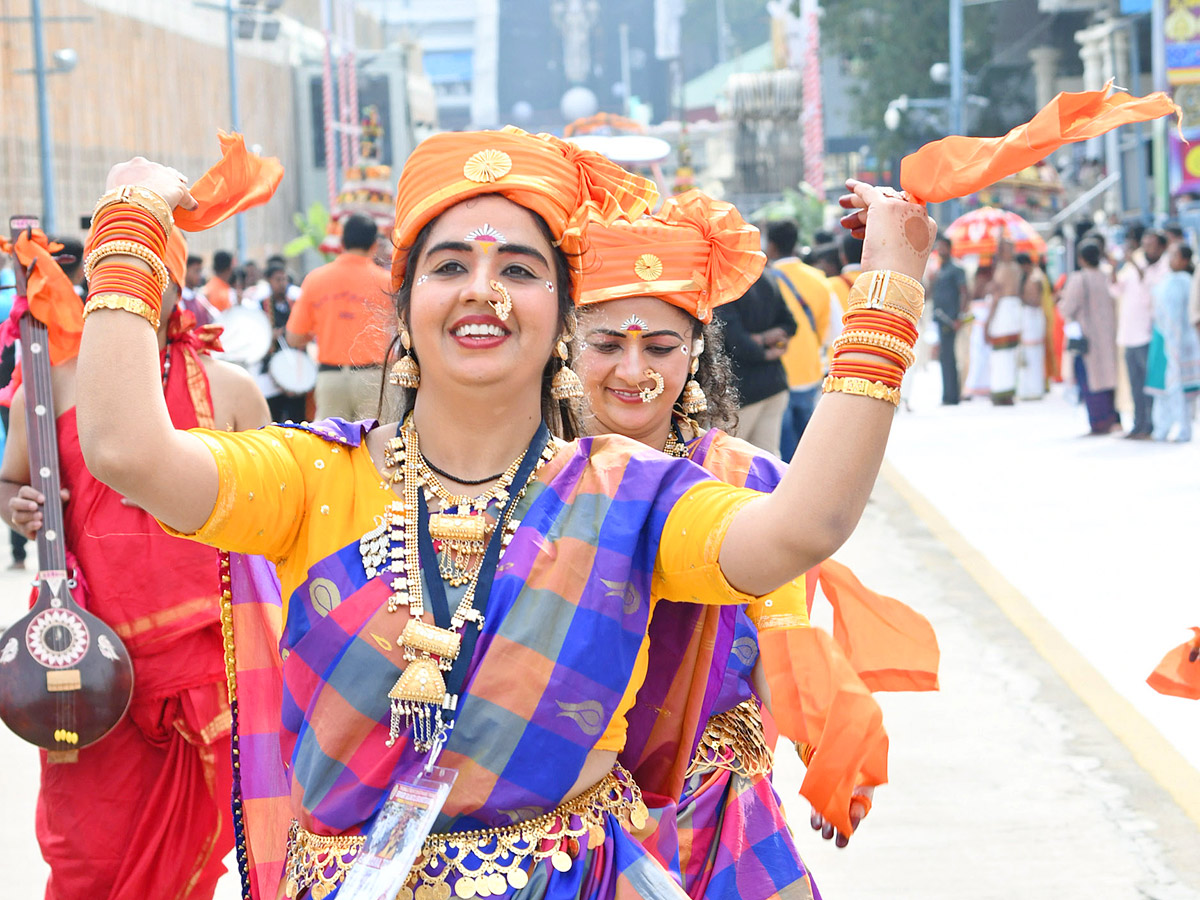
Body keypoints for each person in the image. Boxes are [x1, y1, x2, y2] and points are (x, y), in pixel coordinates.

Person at [73, 131, 933, 900]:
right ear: (404, 309)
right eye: (449, 266)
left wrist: (890, 288)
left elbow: (805, 525)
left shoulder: (626, 496)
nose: (482, 289)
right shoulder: (311, 479)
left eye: (519, 270)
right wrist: (131, 222)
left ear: (562, 316)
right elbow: (126, 450)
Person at [574, 192, 934, 899]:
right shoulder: (534, 481)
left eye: (661, 346)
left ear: (697, 350)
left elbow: (782, 642)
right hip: (566, 831)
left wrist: (828, 748)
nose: (633, 371)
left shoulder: (747, 478)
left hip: (719, 811)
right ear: (565, 345)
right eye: (608, 344)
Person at [0, 228, 270, 900]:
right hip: (81, 667)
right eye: (112, 281)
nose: (129, 298)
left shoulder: (229, 390)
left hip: (205, 667)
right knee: (86, 854)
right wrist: (21, 505)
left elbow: (275, 523)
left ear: (177, 288)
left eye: (146, 278)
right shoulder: (53, 380)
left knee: (191, 860)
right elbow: (9, 482)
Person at [286, 213, 393, 420]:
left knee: (331, 446)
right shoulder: (387, 283)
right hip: (374, 379)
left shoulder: (315, 279)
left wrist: (322, 329)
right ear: (373, 245)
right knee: (375, 445)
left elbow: (293, 337)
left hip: (331, 379)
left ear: (342, 243)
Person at [764, 220, 835, 458]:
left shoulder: (766, 281)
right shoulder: (819, 279)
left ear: (771, 246)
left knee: (785, 453)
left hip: (779, 373)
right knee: (810, 448)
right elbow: (831, 330)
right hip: (812, 370)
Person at [713, 273, 795, 457]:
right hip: (773, 383)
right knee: (767, 461)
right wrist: (769, 342)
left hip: (741, 390)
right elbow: (789, 324)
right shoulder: (765, 276)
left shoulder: (725, 283)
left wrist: (761, 346)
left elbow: (737, 344)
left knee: (728, 462)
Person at [1059, 240, 1121, 435]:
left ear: (1081, 258)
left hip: (1087, 338)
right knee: (1109, 378)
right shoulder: (1107, 276)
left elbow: (1067, 308)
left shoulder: (1079, 279)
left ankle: (1099, 423)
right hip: (1109, 336)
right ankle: (1112, 419)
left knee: (1089, 380)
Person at [1115, 229, 1169, 439]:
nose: (1146, 249)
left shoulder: (1163, 269)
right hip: (1129, 333)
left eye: (1151, 244)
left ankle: (1151, 425)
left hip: (1148, 334)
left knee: (1150, 384)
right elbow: (1117, 289)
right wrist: (1114, 269)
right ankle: (1138, 424)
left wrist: (1137, 267)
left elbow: (1152, 297)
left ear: (1161, 247)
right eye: (1144, 244)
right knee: (1135, 384)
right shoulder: (1133, 265)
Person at [1146, 244, 1200, 442]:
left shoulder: (1186, 282)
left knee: (1181, 390)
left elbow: (1179, 316)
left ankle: (1184, 429)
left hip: (1180, 343)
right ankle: (1161, 428)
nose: (1171, 259)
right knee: (1161, 390)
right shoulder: (1165, 280)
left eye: (1175, 256)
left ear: (1185, 260)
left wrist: (1175, 343)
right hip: (1161, 339)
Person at [0, 253, 26, 569]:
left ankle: (18, 552)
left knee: (13, 469)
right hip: (17, 390)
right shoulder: (16, 297)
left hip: (11, 393)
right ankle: (18, 552)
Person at [261, 261, 309, 423]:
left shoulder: (295, 304)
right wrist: (270, 336)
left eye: (284, 279)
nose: (282, 284)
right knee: (273, 418)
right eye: (278, 280)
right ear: (269, 281)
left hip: (297, 367)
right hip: (271, 371)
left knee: (298, 418)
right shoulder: (260, 306)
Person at [928, 235, 967, 405]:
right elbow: (929, 294)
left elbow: (964, 292)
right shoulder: (938, 269)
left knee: (950, 356)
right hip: (939, 317)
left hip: (951, 318)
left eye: (943, 247)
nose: (940, 250)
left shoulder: (957, 269)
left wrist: (960, 316)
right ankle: (947, 394)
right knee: (944, 356)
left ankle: (953, 396)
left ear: (949, 248)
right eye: (939, 247)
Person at [984, 237, 1022, 405]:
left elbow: (997, 297)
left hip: (1004, 311)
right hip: (1014, 310)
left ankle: (1001, 392)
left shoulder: (1004, 269)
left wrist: (987, 322)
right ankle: (1007, 391)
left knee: (1001, 355)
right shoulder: (1016, 268)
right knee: (1009, 354)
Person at [1016, 252, 1048, 400]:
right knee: (1027, 356)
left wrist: (1021, 299)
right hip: (1028, 319)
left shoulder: (1035, 278)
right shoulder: (1029, 276)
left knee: (1034, 355)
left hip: (1033, 318)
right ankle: (1028, 389)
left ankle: (1035, 390)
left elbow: (1035, 301)